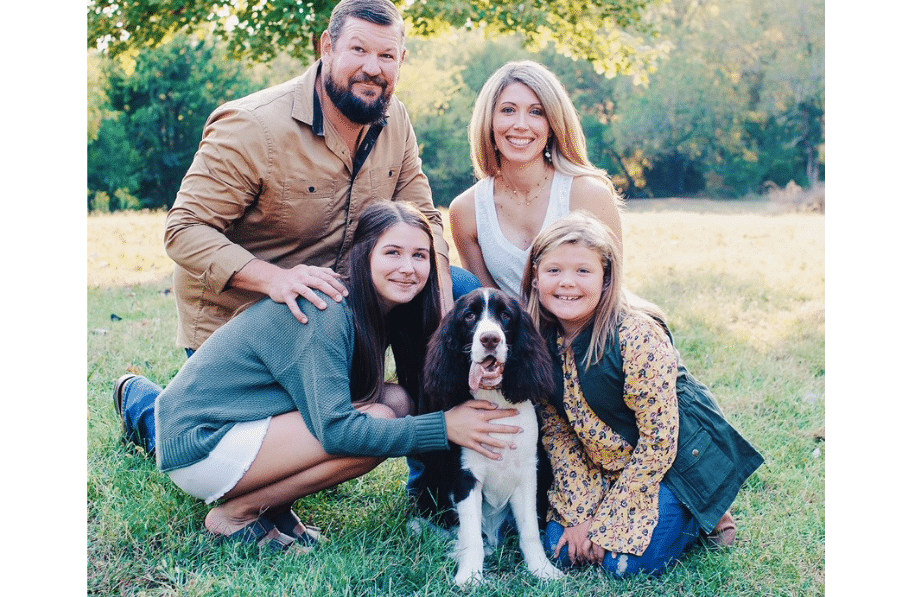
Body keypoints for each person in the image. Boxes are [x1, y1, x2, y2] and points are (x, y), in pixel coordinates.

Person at [116, 0, 481, 455]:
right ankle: (150, 409)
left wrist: (441, 282)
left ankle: (437, 488)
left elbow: (423, 214)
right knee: (234, 444)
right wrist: (277, 280)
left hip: (339, 317)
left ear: (402, 60)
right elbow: (184, 228)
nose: (374, 67)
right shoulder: (253, 126)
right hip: (249, 326)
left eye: (387, 55)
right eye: (358, 50)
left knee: (461, 290)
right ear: (327, 47)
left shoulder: (395, 120)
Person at [116, 201, 520, 550]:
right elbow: (336, 431)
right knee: (375, 422)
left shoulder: (377, 309)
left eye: (419, 255)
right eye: (392, 253)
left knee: (395, 401)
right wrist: (443, 426)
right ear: (363, 256)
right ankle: (236, 515)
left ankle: (274, 507)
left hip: (245, 426)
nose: (408, 268)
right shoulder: (326, 311)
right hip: (198, 443)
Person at [522, 212, 762, 577]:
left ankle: (700, 512)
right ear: (536, 277)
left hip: (670, 465)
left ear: (606, 280)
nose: (567, 283)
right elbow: (558, 433)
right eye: (554, 270)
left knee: (624, 565)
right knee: (563, 551)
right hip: (603, 466)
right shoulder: (537, 341)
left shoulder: (636, 335)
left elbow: (659, 441)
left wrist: (607, 527)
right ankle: (630, 513)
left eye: (583, 271)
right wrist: (584, 517)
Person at [448, 60, 623, 298]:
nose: (521, 125)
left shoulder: (589, 194)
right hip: (514, 333)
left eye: (536, 112)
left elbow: (611, 291)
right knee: (458, 281)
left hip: (583, 330)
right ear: (489, 122)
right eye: (508, 110)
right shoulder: (466, 210)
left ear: (552, 125)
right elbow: (488, 306)